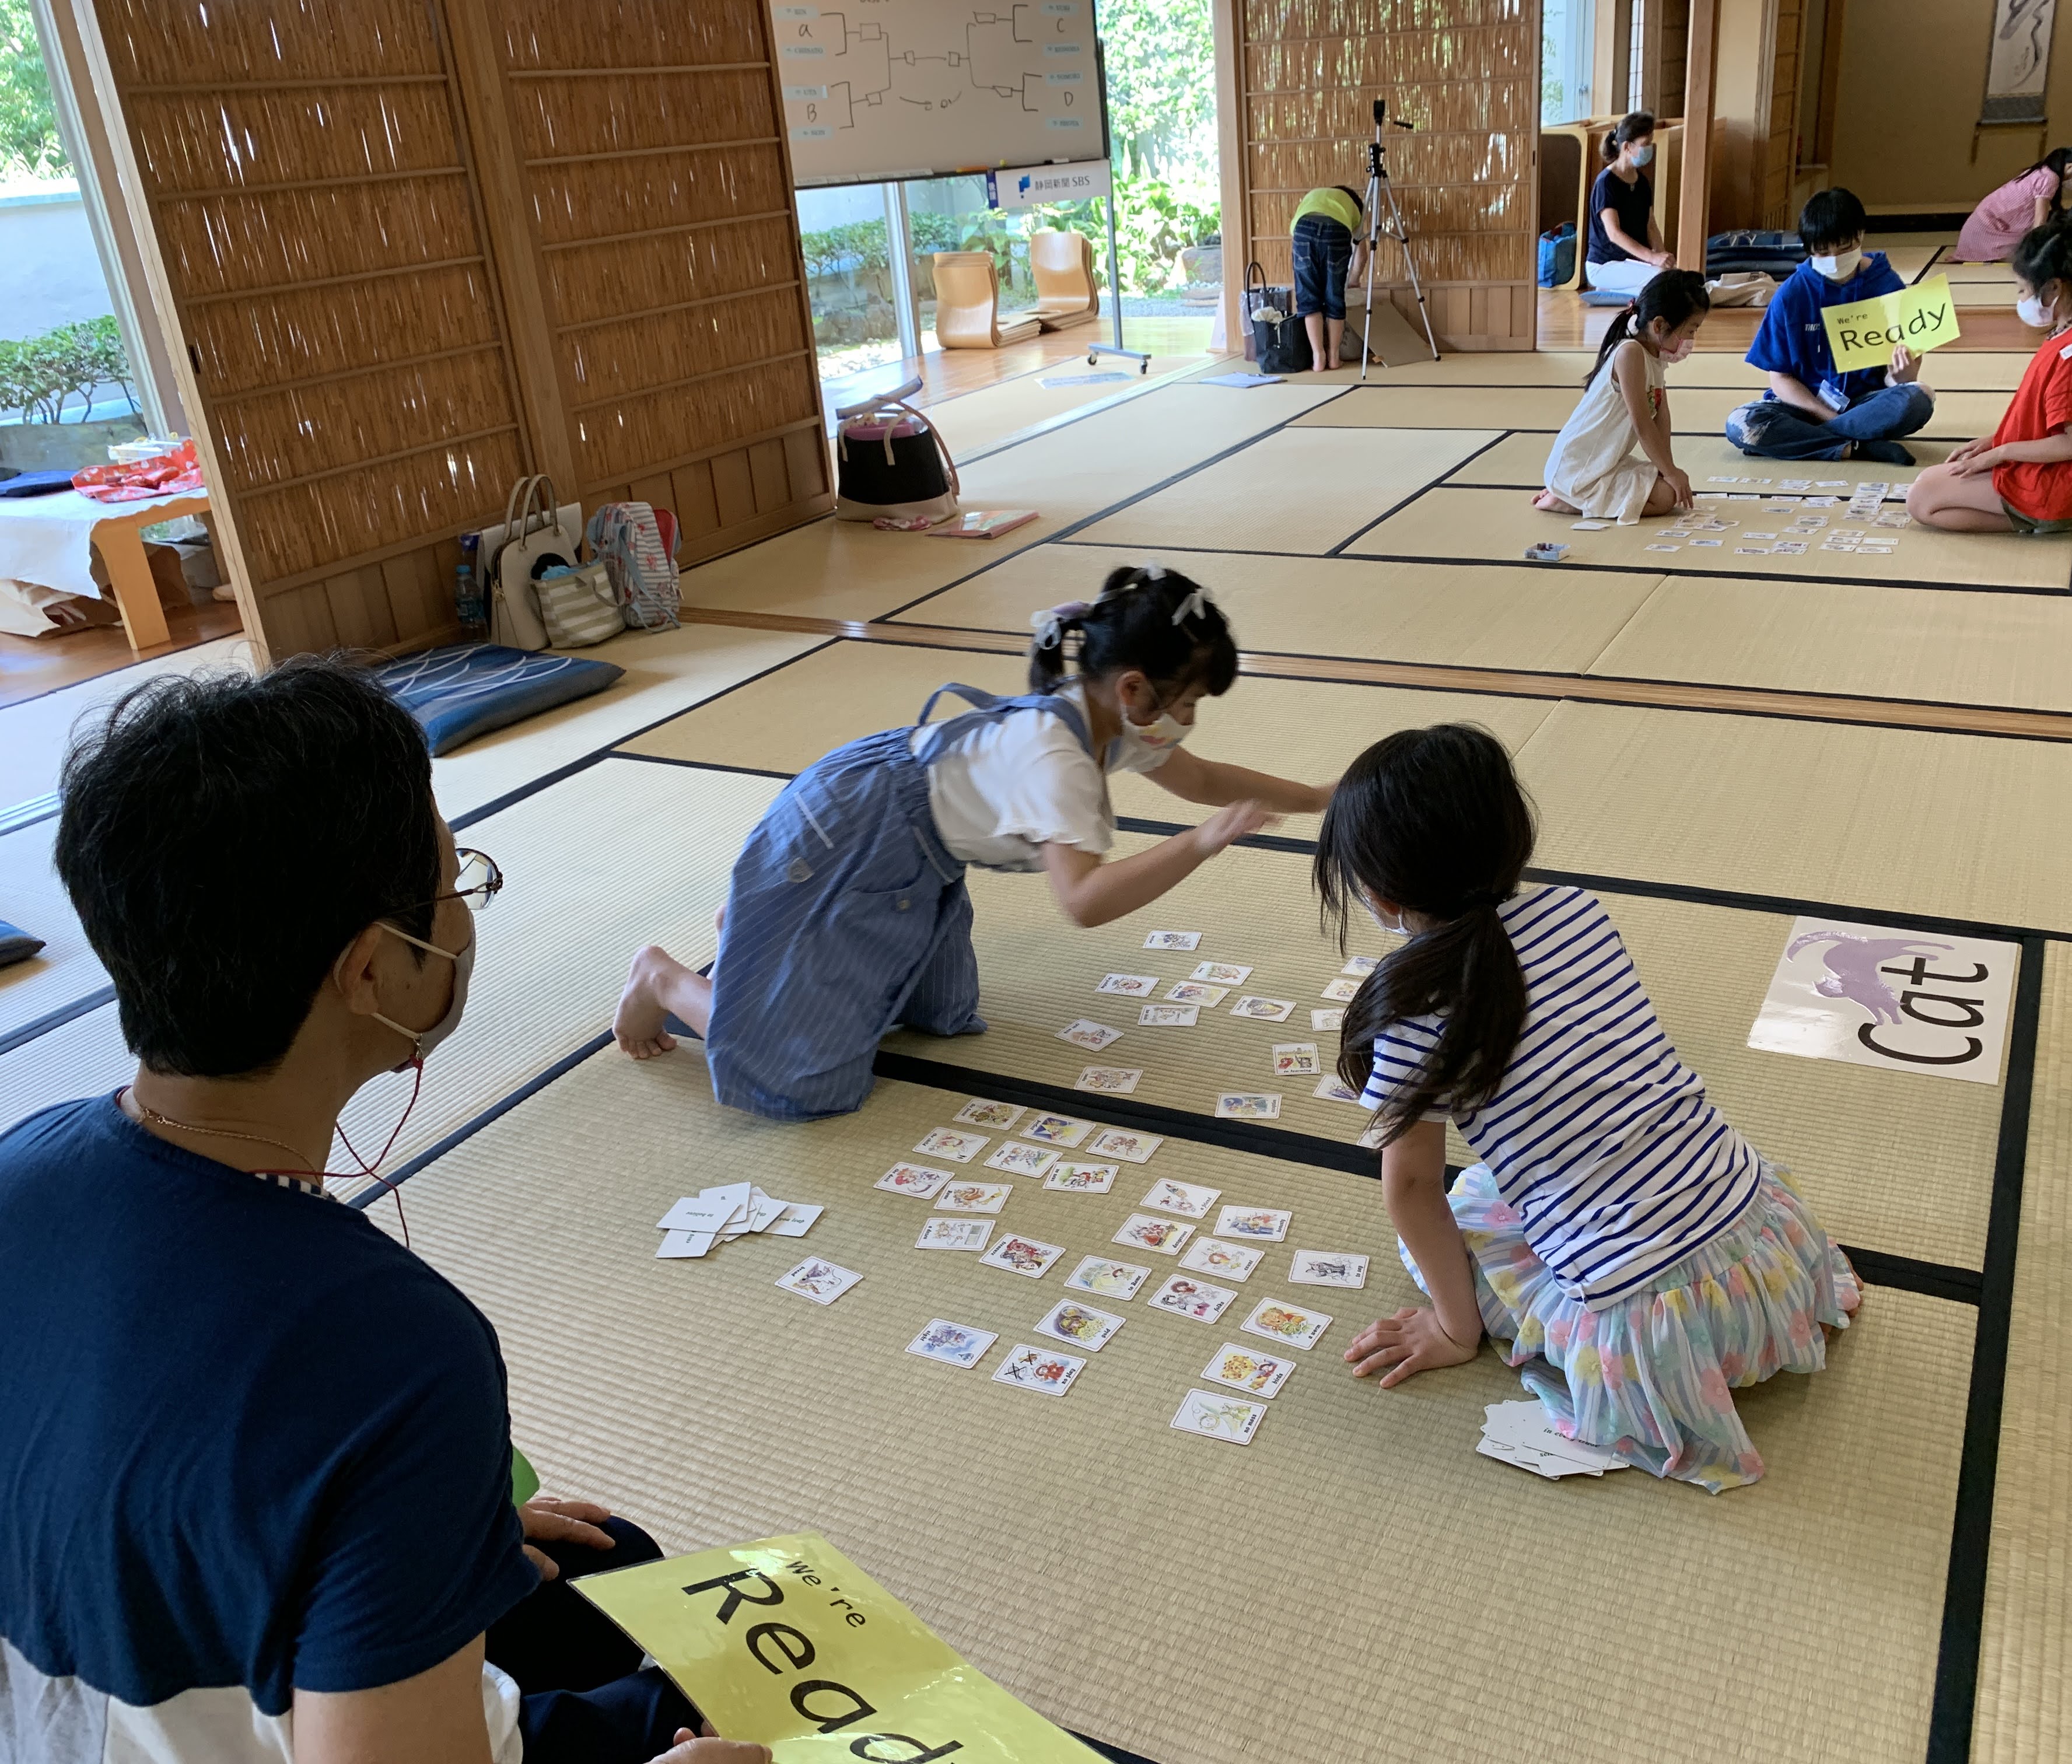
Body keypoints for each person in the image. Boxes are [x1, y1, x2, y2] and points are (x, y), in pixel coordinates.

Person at [0, 659, 762, 1764]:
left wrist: (424, 1534)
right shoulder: (392, 1351)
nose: (463, 914)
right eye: (456, 885)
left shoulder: (26, 1156)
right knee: (699, 1709)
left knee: (609, 1560)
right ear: (368, 969)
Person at [1319, 724, 1859, 1492]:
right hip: (1770, 1256)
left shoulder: (1410, 1006)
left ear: (1378, 891)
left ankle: (1504, 1325)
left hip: (1662, 1332)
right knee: (1496, 1193)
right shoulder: (1577, 909)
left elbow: (1410, 1189)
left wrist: (1451, 1326)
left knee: (1457, 1219)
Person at [615, 566, 1331, 1120]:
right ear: (1136, 690)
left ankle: (768, 928)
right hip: (850, 833)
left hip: (908, 851)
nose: (1189, 723)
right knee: (805, 1081)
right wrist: (1200, 842)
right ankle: (666, 978)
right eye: (1188, 705)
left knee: (937, 1014)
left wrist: (1324, 798)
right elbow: (1083, 901)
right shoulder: (1060, 759)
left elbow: (1203, 777)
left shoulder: (1110, 718)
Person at [1910, 218, 2072, 534]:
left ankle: (2046, 519)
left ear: (2054, 287)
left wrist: (2001, 453)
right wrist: (1996, 441)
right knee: (1929, 482)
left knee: (1921, 500)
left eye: (2023, 289)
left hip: (2059, 485)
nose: (2021, 299)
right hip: (2062, 478)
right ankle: (2046, 516)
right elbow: (2044, 419)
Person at [1724, 187, 1936, 464]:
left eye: (1845, 248)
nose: (1834, 259)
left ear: (1860, 236)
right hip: (1805, 406)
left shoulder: (1887, 285)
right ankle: (1860, 447)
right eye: (1822, 252)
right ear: (1809, 249)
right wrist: (1826, 415)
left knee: (1919, 398)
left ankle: (1802, 442)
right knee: (1742, 421)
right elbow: (1781, 379)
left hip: (1865, 404)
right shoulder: (1792, 293)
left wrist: (1902, 375)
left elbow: (1898, 378)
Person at [1532, 269, 1708, 522]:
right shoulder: (1631, 354)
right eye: (1691, 330)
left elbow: (1661, 417)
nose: (1692, 340)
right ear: (1659, 325)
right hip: (1580, 467)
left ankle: (1574, 494)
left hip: (1606, 462)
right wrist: (1670, 473)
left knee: (1667, 485)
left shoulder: (1656, 359)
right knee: (1666, 497)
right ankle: (1570, 499)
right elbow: (1642, 424)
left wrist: (1666, 468)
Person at [1954, 144, 2072, 261]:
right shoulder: (2050, 178)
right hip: (1983, 231)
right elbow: (2039, 224)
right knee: (2030, 253)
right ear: (2071, 168)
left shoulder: (2045, 171)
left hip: (1979, 226)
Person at [1583, 111, 1672, 296]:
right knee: (1662, 283)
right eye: (1645, 144)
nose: (1649, 148)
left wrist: (1661, 256)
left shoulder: (1642, 183)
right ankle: (1611, 288)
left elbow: (1651, 226)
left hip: (1633, 263)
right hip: (1605, 265)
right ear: (1627, 147)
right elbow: (1614, 234)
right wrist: (1651, 258)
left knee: (1672, 277)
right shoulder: (1606, 183)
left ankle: (1621, 291)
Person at [1290, 185, 1368, 372]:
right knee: (1334, 295)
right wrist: (1354, 280)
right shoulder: (1354, 210)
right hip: (1337, 230)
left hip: (1303, 229)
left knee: (1309, 298)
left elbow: (1295, 238)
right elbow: (1362, 254)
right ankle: (1334, 356)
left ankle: (1318, 358)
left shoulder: (1313, 196)